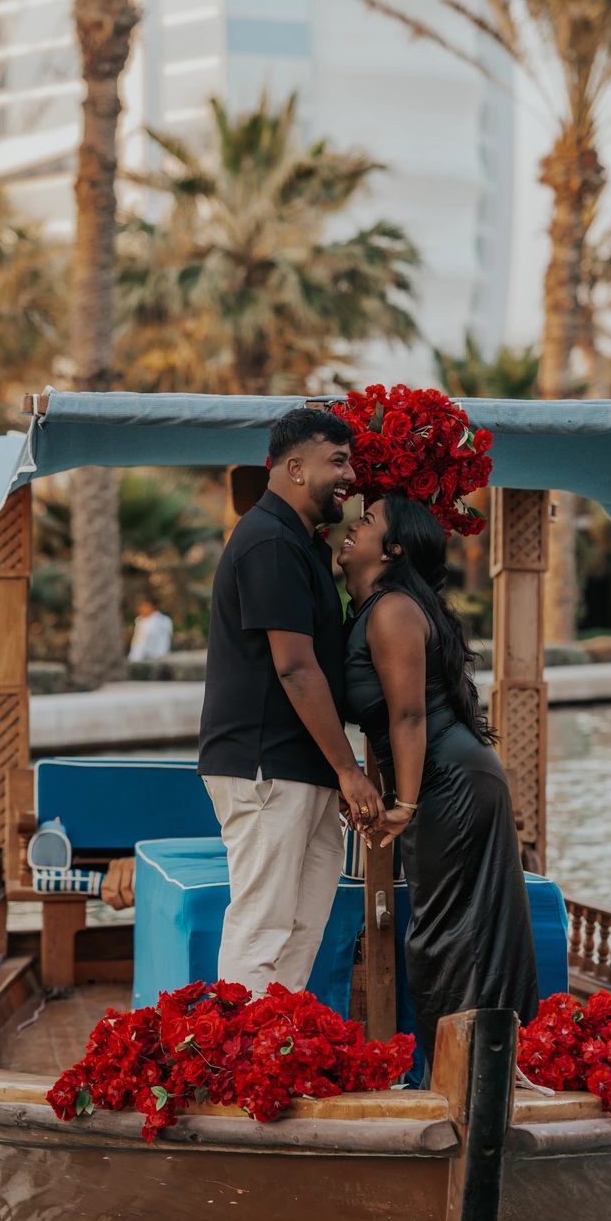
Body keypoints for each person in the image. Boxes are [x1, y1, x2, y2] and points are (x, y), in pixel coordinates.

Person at [338, 490, 539, 1066]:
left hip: (449, 782)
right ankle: (477, 1070)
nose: (353, 527)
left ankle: (470, 1077)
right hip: (450, 776)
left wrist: (404, 804)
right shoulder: (374, 607)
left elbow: (407, 714)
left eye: (368, 520)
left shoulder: (393, 610)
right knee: (454, 934)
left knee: (447, 937)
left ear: (393, 548)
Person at [199, 408, 385, 993]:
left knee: (301, 931)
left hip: (298, 770)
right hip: (264, 768)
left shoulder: (300, 543)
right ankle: (237, 1077)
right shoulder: (268, 541)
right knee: (262, 931)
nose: (350, 474)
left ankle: (275, 1064)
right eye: (338, 461)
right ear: (295, 467)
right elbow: (296, 667)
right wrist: (349, 771)